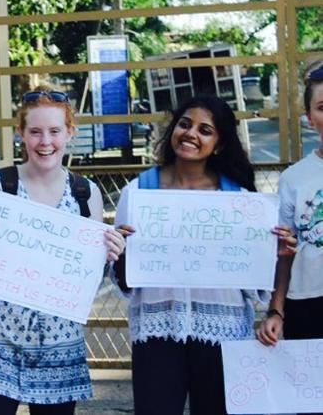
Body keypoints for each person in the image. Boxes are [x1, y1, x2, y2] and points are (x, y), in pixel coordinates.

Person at [112, 95, 294, 415]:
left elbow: (257, 281)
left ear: (220, 144)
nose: (191, 133)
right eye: (185, 124)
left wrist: (273, 254)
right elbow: (125, 279)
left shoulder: (240, 201)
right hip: (158, 331)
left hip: (222, 334)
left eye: (205, 129)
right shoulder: (138, 193)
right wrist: (122, 252)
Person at [0, 88, 126, 415]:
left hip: (58, 343)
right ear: (21, 134)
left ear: (70, 133)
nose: (45, 141)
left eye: (54, 131)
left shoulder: (85, 193)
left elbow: (89, 272)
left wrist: (110, 253)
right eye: (35, 132)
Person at [257, 66, 323, 413]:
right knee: (310, 402)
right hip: (307, 305)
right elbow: (284, 254)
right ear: (309, 117)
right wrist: (276, 310)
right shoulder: (294, 179)